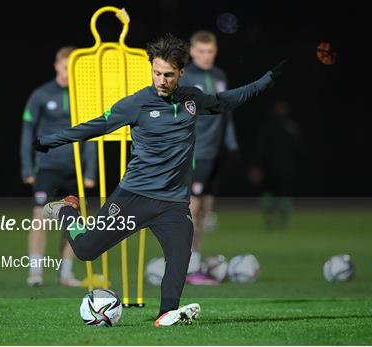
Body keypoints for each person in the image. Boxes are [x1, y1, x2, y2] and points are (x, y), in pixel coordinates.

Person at [34, 34, 284, 326]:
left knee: (181, 256)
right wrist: (51, 140)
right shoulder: (136, 104)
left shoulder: (191, 99)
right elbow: (95, 127)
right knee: (86, 250)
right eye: (156, 73)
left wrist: (264, 82)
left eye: (168, 74)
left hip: (173, 204)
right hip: (133, 197)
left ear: (180, 72)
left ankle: (166, 313)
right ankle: (65, 209)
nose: (161, 80)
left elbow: (223, 102)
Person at [20, 46, 97, 287]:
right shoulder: (41, 95)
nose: (67, 72)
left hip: (74, 170)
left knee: (72, 222)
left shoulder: (84, 96)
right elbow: (27, 133)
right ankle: (35, 272)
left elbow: (92, 135)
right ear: (56, 65)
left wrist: (90, 170)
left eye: (72, 68)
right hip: (47, 167)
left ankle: (65, 274)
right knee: (40, 217)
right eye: (65, 67)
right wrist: (26, 167)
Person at [179, 30, 240, 285]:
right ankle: (184, 266)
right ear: (192, 52)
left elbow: (226, 111)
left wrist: (232, 144)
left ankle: (194, 261)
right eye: (201, 51)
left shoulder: (219, 76)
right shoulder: (185, 78)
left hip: (215, 153)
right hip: (195, 152)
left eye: (211, 51)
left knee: (204, 210)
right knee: (190, 209)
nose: (206, 56)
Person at [249, 99, 303, 230]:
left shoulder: (291, 128)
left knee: (282, 195)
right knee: (270, 194)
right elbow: (260, 149)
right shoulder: (271, 128)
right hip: (272, 168)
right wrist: (257, 167)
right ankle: (270, 220)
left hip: (282, 168)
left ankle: (281, 221)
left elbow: (299, 150)